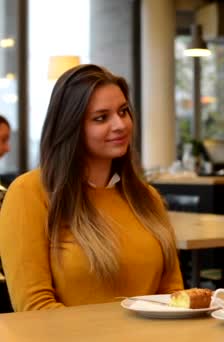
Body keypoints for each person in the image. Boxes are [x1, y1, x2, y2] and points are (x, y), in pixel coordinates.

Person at [0, 64, 183, 311]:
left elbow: (174, 299)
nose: (120, 125)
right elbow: (35, 309)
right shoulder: (29, 193)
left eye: (123, 111)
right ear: (70, 126)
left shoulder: (146, 197)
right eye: (101, 118)